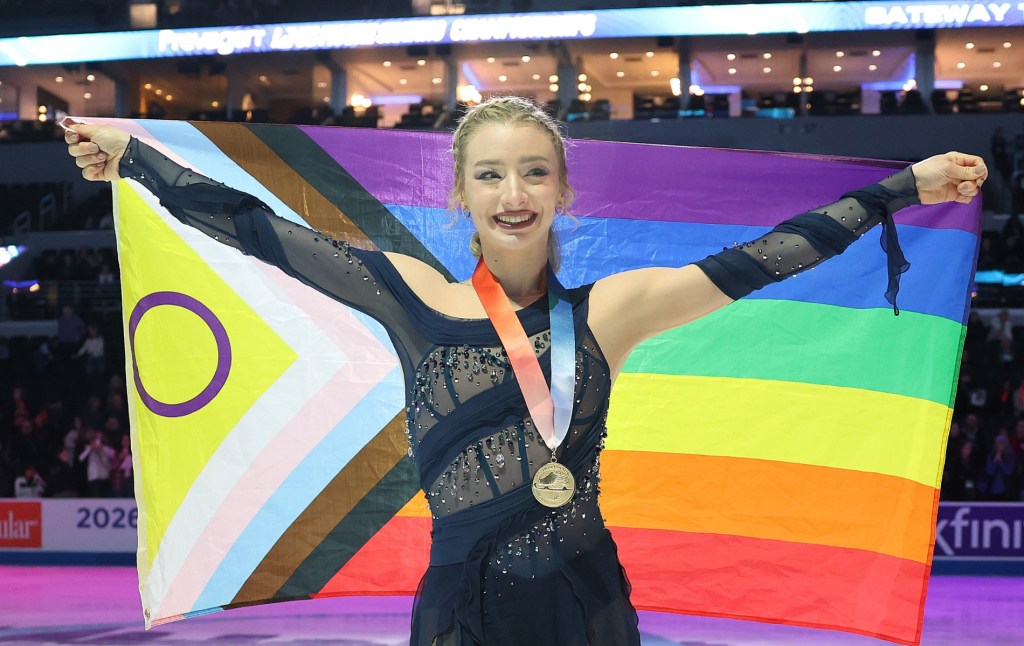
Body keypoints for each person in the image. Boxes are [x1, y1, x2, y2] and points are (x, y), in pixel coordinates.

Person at [65, 97, 985, 645]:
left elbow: (767, 257)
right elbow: (261, 232)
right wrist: (136, 159)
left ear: (563, 191)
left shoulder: (613, 312)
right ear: (459, 192)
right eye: (493, 176)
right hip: (461, 612)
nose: (514, 196)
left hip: (586, 604)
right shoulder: (410, 296)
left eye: (535, 174)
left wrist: (905, 186)